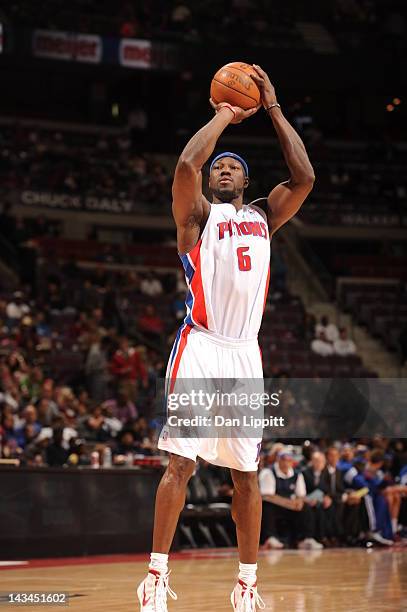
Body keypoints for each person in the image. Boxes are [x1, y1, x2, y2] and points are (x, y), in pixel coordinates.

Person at [137, 63, 315, 611]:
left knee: (245, 475)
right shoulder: (194, 217)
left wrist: (275, 109)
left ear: (247, 181)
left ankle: (246, 585)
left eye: (234, 166)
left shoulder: (265, 214)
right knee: (181, 463)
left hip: (245, 354)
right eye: (221, 166)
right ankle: (155, 577)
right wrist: (223, 116)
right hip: (200, 344)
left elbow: (304, 177)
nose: (224, 169)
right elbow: (188, 162)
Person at [259, 449, 322, 550]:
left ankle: (305, 539)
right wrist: (289, 503)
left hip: (290, 506)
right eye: (283, 459)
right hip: (275, 506)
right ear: (278, 460)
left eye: (288, 460)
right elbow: (267, 496)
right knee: (267, 506)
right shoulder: (268, 472)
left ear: (292, 462)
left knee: (305, 507)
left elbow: (301, 495)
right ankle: (270, 538)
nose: (286, 462)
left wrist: (299, 502)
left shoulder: (297, 474)